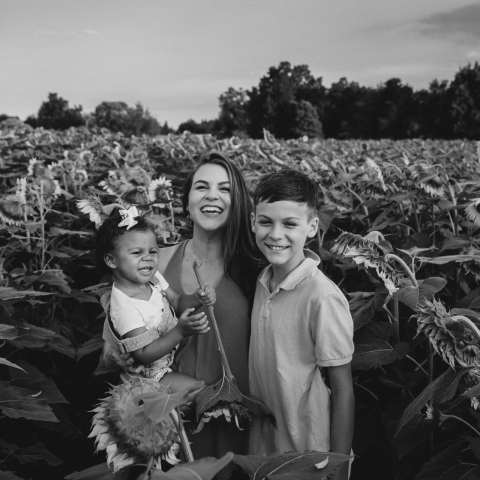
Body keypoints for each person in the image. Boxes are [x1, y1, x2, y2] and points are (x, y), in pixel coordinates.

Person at [102, 150, 262, 471]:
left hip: (235, 424)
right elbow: (114, 347)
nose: (212, 195)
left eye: (225, 189)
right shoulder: (154, 261)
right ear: (186, 202)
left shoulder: (256, 269)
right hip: (167, 425)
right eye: (202, 187)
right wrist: (121, 358)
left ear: (238, 203)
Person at [249, 169, 355, 480]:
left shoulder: (322, 297)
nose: (275, 234)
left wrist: (338, 468)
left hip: (309, 456)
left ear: (312, 227)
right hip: (264, 448)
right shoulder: (262, 280)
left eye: (289, 224)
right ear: (253, 221)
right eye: (266, 222)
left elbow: (343, 391)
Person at [94, 207, 214, 394]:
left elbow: (177, 302)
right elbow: (143, 355)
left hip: (166, 361)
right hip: (149, 374)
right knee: (201, 394)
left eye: (153, 251)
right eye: (137, 253)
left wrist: (198, 298)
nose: (148, 258)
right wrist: (180, 331)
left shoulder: (153, 279)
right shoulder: (125, 307)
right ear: (111, 260)